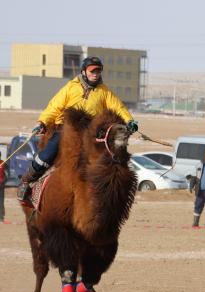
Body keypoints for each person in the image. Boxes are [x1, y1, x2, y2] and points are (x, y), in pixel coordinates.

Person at [17, 56, 138, 201]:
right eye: (92, 70)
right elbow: (54, 107)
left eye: (98, 71)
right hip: (67, 128)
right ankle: (27, 180)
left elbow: (118, 107)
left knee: (111, 152)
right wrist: (43, 122)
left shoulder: (104, 91)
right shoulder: (70, 87)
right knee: (51, 150)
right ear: (84, 72)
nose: (96, 73)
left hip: (91, 131)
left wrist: (129, 120)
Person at [0, 153, 6, 223]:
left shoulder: (3, 163)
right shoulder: (3, 162)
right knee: (1, 201)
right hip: (1, 183)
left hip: (1, 184)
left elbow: (5, 173)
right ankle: (1, 217)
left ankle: (1, 217)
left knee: (1, 201)